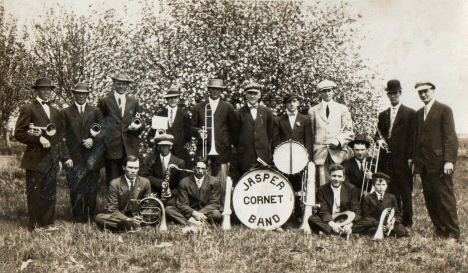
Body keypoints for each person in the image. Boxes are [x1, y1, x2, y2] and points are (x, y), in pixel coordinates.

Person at [14, 77, 64, 229]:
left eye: (48, 89)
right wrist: (38, 139)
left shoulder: (55, 111)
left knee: (50, 191)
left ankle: (48, 222)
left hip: (51, 158)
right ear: (36, 90)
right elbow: (19, 133)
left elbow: (58, 137)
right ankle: (35, 225)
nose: (46, 92)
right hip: (35, 158)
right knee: (35, 193)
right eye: (43, 89)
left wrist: (59, 157)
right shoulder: (28, 108)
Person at [413, 82, 459, 242]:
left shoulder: (444, 110)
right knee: (430, 199)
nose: (423, 95)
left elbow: (450, 137)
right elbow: (418, 139)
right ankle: (440, 230)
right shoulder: (419, 113)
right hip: (424, 164)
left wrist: (449, 161)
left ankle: (453, 233)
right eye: (420, 93)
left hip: (440, 164)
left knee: (445, 198)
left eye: (426, 91)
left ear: (432, 90)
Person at [60, 82, 104, 222]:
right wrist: (66, 157)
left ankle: (90, 217)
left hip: (91, 158)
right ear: (74, 94)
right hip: (74, 158)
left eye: (83, 93)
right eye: (78, 93)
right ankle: (78, 218)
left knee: (91, 190)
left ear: (87, 95)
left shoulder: (95, 111)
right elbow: (61, 137)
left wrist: (92, 139)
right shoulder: (65, 112)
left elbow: (103, 132)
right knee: (75, 188)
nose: (80, 96)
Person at [375, 79, 416, 227]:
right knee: (392, 191)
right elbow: (378, 134)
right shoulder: (383, 114)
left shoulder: (410, 113)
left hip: (403, 159)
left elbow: (413, 137)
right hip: (387, 160)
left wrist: (411, 158)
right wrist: (379, 141)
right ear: (387, 95)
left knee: (405, 191)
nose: (393, 96)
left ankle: (407, 221)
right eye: (390, 93)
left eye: (395, 93)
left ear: (400, 93)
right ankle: (395, 220)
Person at [98, 72, 143, 185]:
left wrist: (137, 127)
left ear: (127, 85)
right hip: (112, 148)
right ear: (114, 84)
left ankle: (129, 203)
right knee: (113, 182)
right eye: (119, 84)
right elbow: (99, 123)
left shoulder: (134, 102)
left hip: (130, 148)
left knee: (131, 182)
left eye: (124, 84)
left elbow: (140, 123)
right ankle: (113, 203)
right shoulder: (104, 101)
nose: (121, 86)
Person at [308, 80, 354, 186]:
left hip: (338, 153)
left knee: (338, 181)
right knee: (323, 184)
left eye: (329, 91)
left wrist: (338, 140)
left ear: (333, 92)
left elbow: (349, 132)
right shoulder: (313, 111)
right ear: (320, 93)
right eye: (324, 91)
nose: (327, 93)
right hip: (320, 154)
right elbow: (311, 134)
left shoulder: (342, 109)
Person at [191, 78, 237, 176]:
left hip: (222, 148)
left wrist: (226, 140)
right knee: (203, 178)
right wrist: (198, 132)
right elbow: (191, 127)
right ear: (208, 89)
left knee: (221, 180)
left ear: (221, 91)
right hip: (204, 148)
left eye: (217, 89)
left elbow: (233, 129)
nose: (215, 91)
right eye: (212, 88)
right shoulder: (199, 107)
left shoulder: (228, 107)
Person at [95, 156, 152, 232]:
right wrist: (128, 219)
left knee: (155, 213)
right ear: (124, 167)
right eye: (130, 168)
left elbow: (147, 206)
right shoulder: (115, 183)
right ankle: (131, 226)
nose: (133, 171)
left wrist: (140, 218)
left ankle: (125, 228)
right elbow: (112, 209)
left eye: (136, 168)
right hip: (122, 217)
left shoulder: (145, 182)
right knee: (99, 218)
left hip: (138, 217)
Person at [307, 164, 362, 235]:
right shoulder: (322, 189)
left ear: (343, 178)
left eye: (339, 176)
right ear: (329, 177)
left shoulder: (351, 188)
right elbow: (323, 210)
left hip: (345, 219)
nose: (336, 179)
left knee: (364, 220)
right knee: (312, 218)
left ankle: (328, 231)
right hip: (330, 219)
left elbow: (356, 210)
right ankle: (338, 232)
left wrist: (349, 224)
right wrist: (331, 223)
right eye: (334, 176)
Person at [165, 157, 222, 226]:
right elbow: (182, 204)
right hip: (189, 212)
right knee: (168, 209)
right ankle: (193, 223)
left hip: (205, 212)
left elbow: (214, 203)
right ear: (193, 168)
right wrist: (194, 213)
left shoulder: (214, 182)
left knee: (216, 214)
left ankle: (189, 222)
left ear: (206, 169)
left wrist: (198, 214)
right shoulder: (184, 182)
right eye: (198, 168)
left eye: (203, 169)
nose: (200, 171)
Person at [235, 81, 274, 175]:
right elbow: (235, 135)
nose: (252, 96)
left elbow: (270, 133)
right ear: (246, 95)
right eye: (250, 93)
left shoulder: (267, 112)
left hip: (263, 156)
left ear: (259, 95)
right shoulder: (238, 113)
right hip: (246, 157)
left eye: (255, 93)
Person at [147, 85, 191, 165]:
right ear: (167, 99)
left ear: (178, 99)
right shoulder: (160, 114)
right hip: (162, 152)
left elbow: (188, 135)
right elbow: (152, 133)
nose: (173, 100)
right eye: (170, 98)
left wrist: (178, 142)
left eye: (175, 98)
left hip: (179, 152)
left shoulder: (184, 115)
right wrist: (151, 140)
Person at [140, 133, 188, 207]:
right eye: (162, 146)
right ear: (158, 147)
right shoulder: (151, 160)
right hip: (156, 192)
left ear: (171, 146)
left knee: (170, 206)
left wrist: (171, 193)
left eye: (167, 146)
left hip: (173, 194)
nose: (164, 148)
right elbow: (146, 175)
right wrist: (161, 183)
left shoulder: (180, 162)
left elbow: (182, 183)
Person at [357, 172, 409, 237]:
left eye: (383, 184)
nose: (381, 187)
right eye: (378, 184)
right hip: (375, 224)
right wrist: (380, 224)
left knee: (401, 230)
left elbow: (397, 214)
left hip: (389, 224)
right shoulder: (367, 198)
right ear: (373, 185)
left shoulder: (392, 197)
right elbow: (367, 216)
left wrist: (391, 223)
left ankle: (389, 232)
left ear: (387, 185)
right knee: (371, 231)